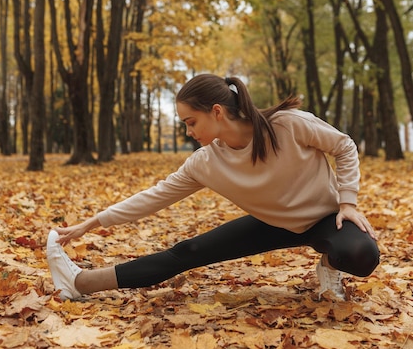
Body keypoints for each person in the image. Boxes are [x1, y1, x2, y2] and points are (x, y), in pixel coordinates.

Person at [47, 74, 379, 303]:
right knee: (186, 252)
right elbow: (154, 197)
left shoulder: (288, 124)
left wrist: (348, 202)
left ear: (217, 112)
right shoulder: (205, 162)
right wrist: (93, 222)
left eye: (191, 122)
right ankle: (80, 282)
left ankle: (329, 266)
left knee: (362, 255)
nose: (188, 132)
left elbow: (344, 146)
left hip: (327, 217)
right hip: (273, 224)